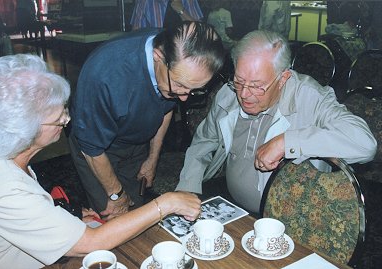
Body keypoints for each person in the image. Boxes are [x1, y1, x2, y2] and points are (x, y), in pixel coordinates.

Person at [0, 54, 201, 269]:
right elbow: (89, 243)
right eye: (59, 120)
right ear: (24, 131)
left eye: (65, 112)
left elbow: (20, 215)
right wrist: (166, 203)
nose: (67, 120)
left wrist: (64, 218)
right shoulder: (2, 186)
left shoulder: (3, 153)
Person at [175, 30, 377, 214]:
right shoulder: (229, 93)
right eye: (238, 81)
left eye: (257, 86)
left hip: (293, 219)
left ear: (283, 79)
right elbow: (203, 143)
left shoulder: (310, 97)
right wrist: (188, 190)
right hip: (232, 207)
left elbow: (365, 144)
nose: (244, 94)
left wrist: (287, 142)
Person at [68, 21, 224, 220]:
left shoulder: (174, 61)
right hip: (98, 150)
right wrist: (117, 194)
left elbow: (166, 110)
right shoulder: (105, 74)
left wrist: (152, 159)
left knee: (138, 212)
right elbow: (91, 148)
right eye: (179, 85)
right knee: (112, 217)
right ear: (158, 56)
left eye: (194, 90)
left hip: (137, 139)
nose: (184, 98)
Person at [130, 0, 203, 30]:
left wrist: (182, 11)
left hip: (184, 51)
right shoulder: (144, 1)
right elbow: (136, 33)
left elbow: (201, 30)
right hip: (157, 52)